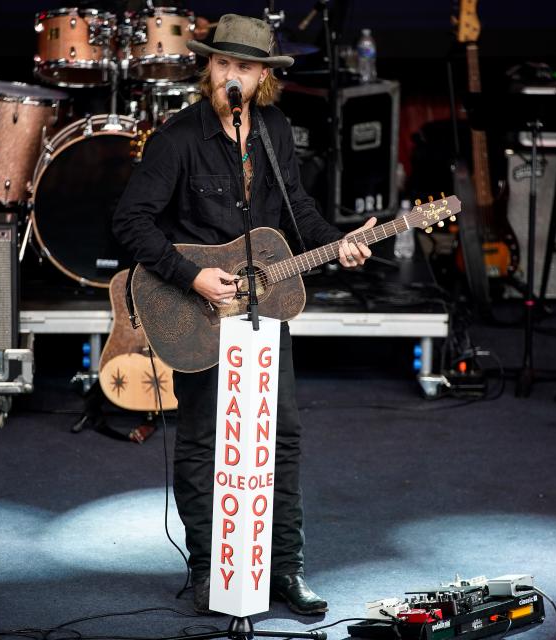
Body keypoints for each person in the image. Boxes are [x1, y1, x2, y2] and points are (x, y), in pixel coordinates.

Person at [112, 13, 374, 616]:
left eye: (246, 67)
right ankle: (208, 568)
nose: (233, 75)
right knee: (203, 441)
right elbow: (129, 222)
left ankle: (286, 568)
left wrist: (340, 243)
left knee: (280, 439)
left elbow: (298, 213)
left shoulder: (276, 131)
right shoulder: (178, 138)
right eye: (224, 63)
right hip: (195, 309)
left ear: (264, 78)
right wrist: (191, 275)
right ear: (209, 67)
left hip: (264, 307)